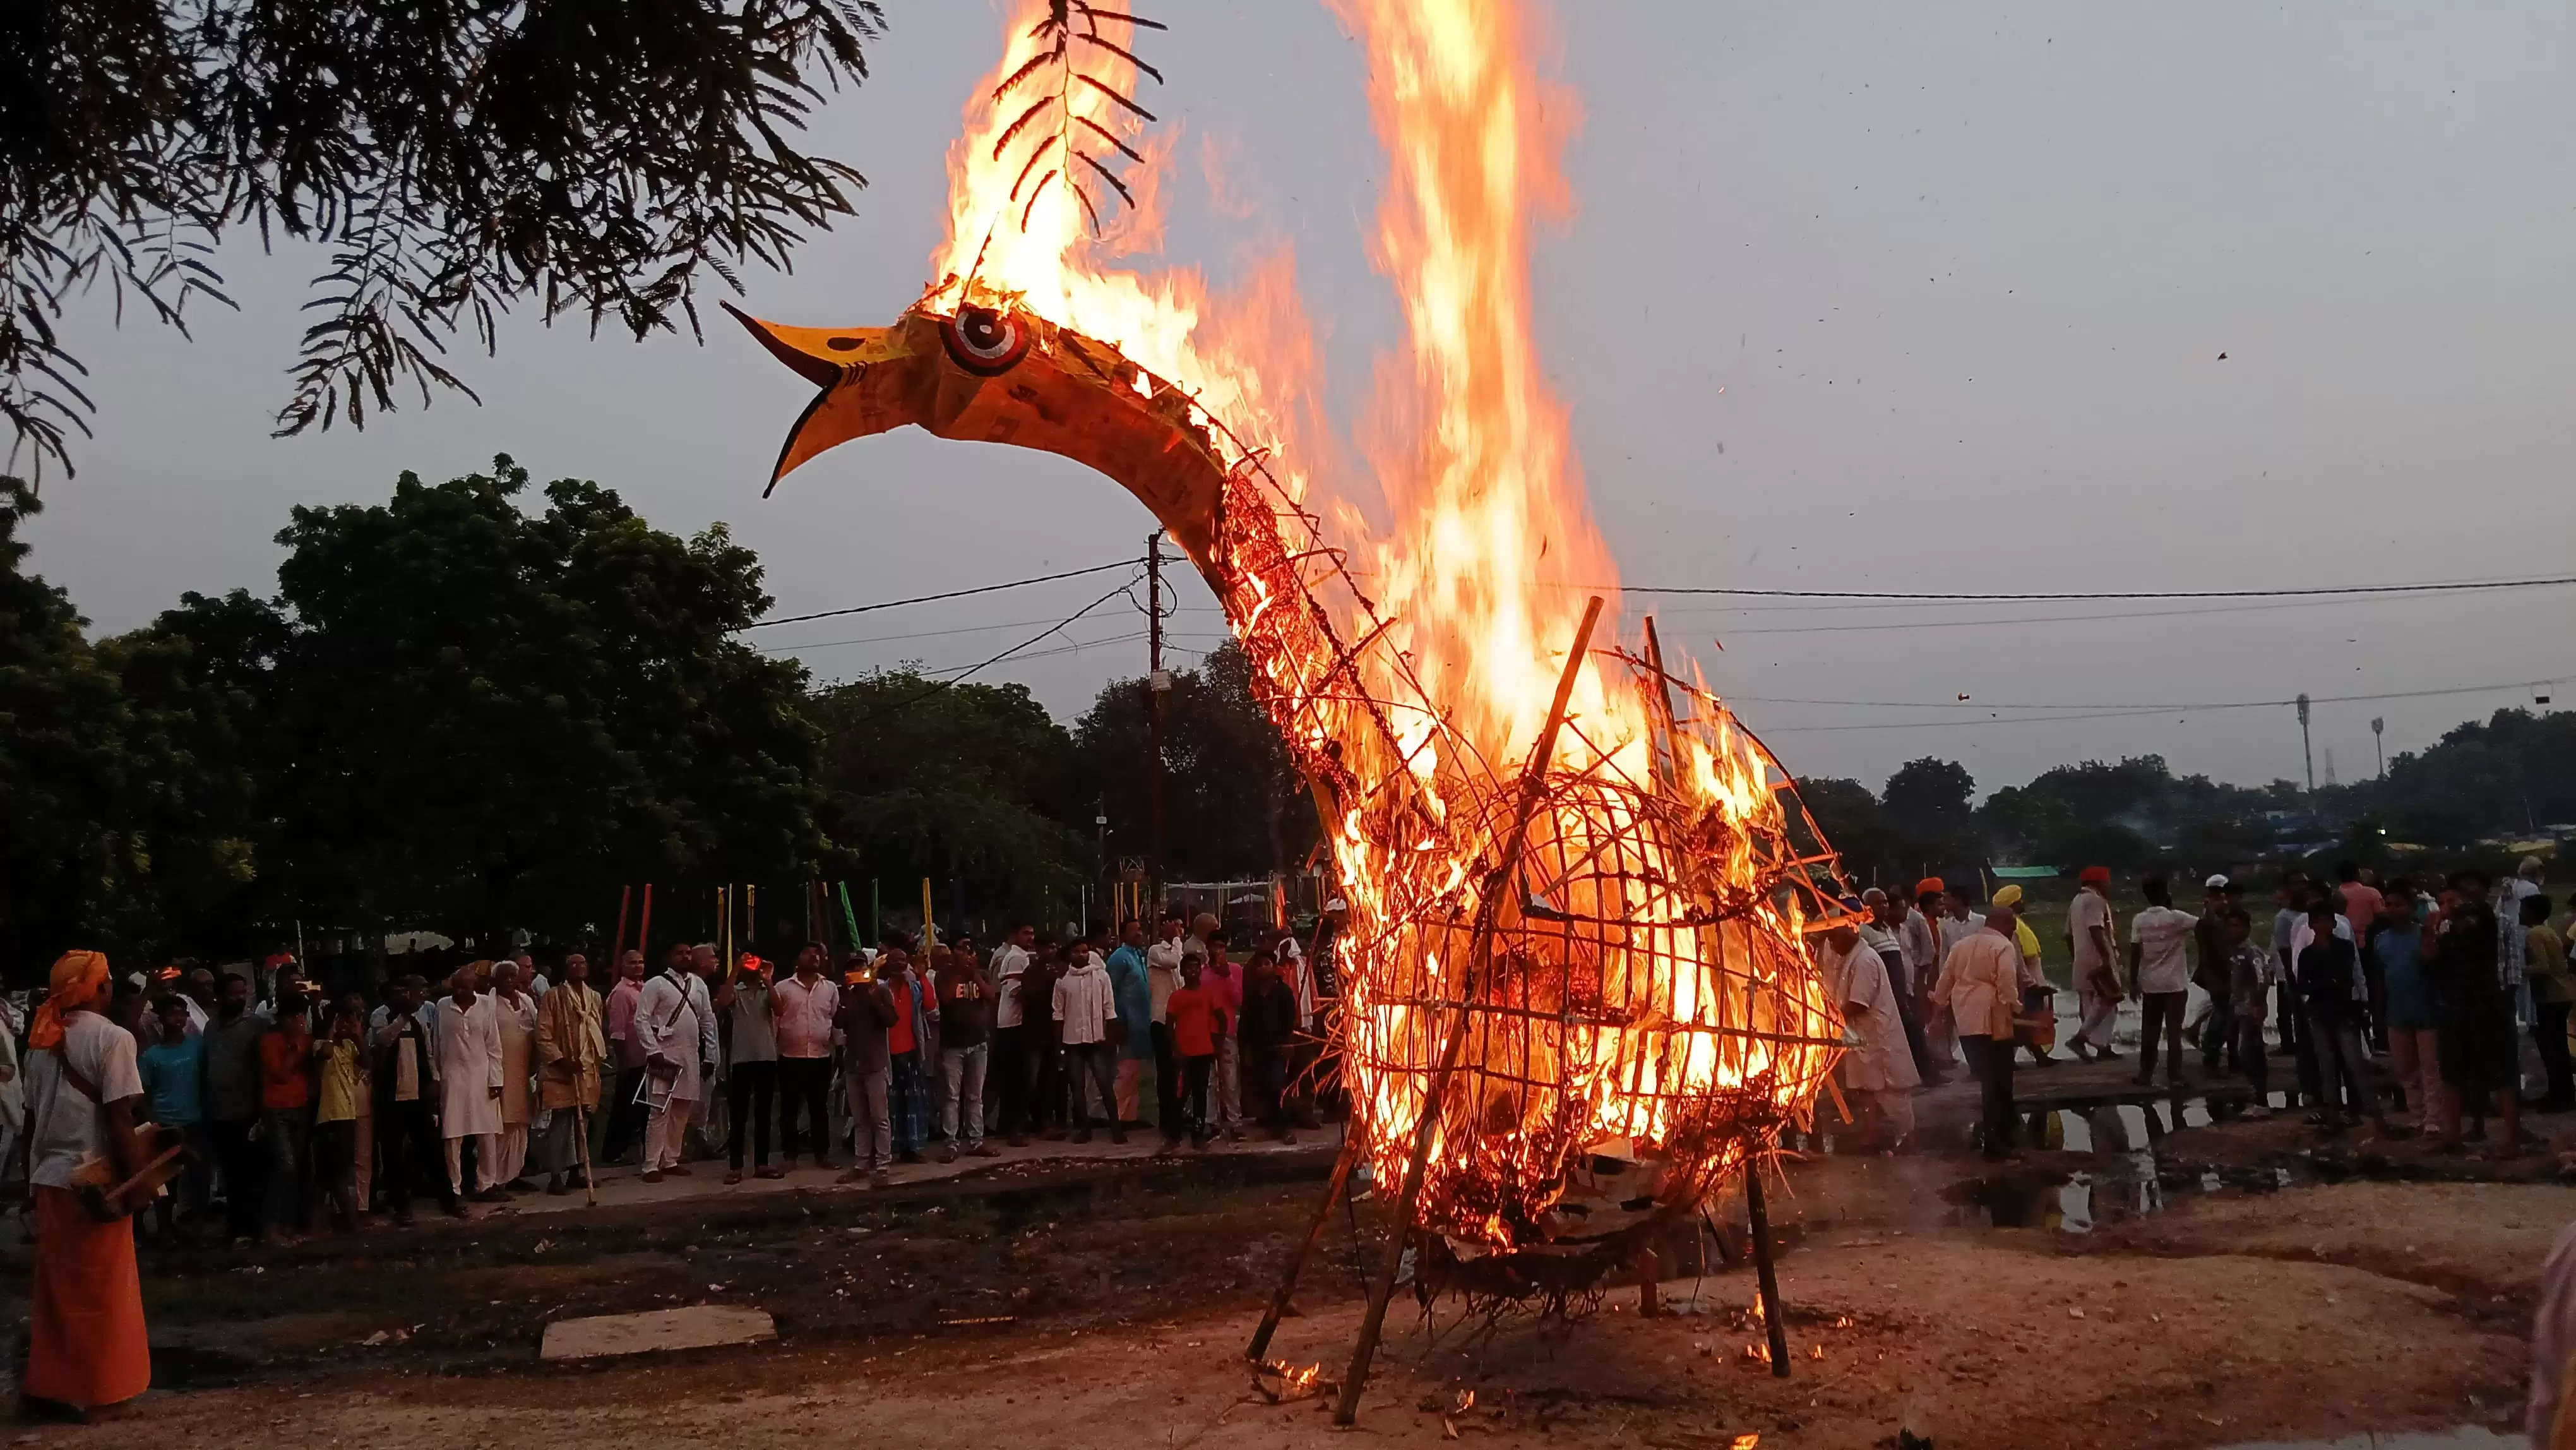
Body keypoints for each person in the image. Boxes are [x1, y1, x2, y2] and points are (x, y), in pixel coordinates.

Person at [20, 951, 152, 1418]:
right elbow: (120, 1118)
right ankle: (101, 1395)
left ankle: (55, 1388)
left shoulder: (41, 1042)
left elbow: (30, 1122)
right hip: (93, 1182)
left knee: (59, 1293)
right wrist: (139, 1182)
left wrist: (26, 1185)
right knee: (101, 1292)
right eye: (108, 981)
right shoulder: (113, 1039)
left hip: (50, 1181)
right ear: (98, 988)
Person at [2428, 868, 2519, 1156]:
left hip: (2485, 1004)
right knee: (2453, 1072)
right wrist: (2432, 928)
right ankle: (2452, 1136)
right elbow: (2431, 961)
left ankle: (2512, 1141)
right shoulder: (2452, 927)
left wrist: (2443, 915)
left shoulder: (2482, 917)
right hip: (2458, 1006)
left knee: (2501, 1073)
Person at [1933, 897, 2024, 1161]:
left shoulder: (1962, 945)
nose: (2014, 931)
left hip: (1967, 1020)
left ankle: (2005, 1131)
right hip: (1993, 1019)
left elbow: (1945, 979)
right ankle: (1996, 1145)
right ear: (2004, 924)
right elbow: (2007, 982)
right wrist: (2016, 1007)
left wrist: (1939, 1007)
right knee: (1997, 1082)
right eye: (2013, 926)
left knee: (1989, 1079)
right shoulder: (2002, 946)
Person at [1822, 912, 1919, 1151]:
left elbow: (1858, 1003)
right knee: (1865, 1090)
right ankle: (1870, 1134)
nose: (1833, 946)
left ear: (1851, 932)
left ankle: (1910, 1137)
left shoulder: (1865, 959)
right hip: (1862, 1038)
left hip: (1878, 1037)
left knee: (1891, 1092)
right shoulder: (1850, 958)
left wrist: (1827, 1020)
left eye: (1835, 939)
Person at [2296, 897, 2387, 1136]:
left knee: (2354, 1065)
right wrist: (2329, 984)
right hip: (2326, 1012)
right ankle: (2337, 1118)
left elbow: (2337, 978)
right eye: (2320, 921)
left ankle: (2375, 1119)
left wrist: (2322, 985)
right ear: (2313, 925)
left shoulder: (2339, 948)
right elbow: (2306, 984)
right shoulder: (2312, 953)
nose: (2324, 925)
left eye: (2328, 920)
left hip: (2340, 1011)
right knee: (2329, 1067)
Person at [371, 978, 453, 1222]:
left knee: (432, 1150)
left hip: (417, 1096)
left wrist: (435, 1079)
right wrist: (402, 1018)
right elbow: (382, 1040)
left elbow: (427, 1053)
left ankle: (448, 1200)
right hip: (390, 1097)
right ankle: (401, 1207)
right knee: (393, 1154)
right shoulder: (382, 1018)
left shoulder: (419, 1022)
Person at [2373, 880, 2443, 1137]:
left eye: (2399, 905)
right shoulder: (2381, 940)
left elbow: (2432, 966)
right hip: (2397, 1012)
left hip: (2428, 1011)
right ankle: (2417, 1116)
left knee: (2431, 1068)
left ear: (2412, 907)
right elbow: (2381, 978)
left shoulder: (2424, 936)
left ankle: (2434, 1119)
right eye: (2388, 905)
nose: (2393, 910)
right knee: (2406, 1069)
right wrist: (2378, 1011)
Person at [200, 971, 266, 1243]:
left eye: (243, 992)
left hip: (248, 1112)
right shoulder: (211, 1027)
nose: (240, 998)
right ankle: (236, 1227)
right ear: (220, 996)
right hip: (219, 1112)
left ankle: (254, 1230)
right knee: (229, 1174)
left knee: (250, 1174)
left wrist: (261, 1112)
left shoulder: (255, 1026)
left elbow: (263, 1070)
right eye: (234, 993)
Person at [535, 950, 607, 1195]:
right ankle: (556, 1175)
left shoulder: (595, 998)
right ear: (565, 969)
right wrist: (561, 1060)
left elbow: (597, 1031)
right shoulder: (553, 997)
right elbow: (543, 1035)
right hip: (561, 1072)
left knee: (582, 1123)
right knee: (561, 1124)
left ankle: (577, 1171)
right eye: (572, 963)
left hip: (586, 1070)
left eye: (582, 962)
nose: (579, 966)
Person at [136, 997, 210, 1236]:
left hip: (197, 1121)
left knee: (199, 1179)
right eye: (172, 1014)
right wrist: (153, 1125)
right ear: (160, 1019)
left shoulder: (198, 1046)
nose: (177, 1020)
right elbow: (144, 1094)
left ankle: (197, 1230)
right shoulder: (151, 1056)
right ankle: (165, 1230)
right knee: (166, 1182)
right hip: (166, 1124)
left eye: (181, 1014)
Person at [434, 969, 506, 1201]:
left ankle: (486, 1184)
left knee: (487, 1133)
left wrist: (496, 1079)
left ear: (474, 987)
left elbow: (494, 1046)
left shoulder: (486, 1005)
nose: (458, 991)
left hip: (481, 1076)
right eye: (455, 987)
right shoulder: (442, 1006)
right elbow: (435, 1044)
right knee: (452, 1135)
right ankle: (453, 1187)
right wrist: (437, 1076)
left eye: (464, 987)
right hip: (452, 1077)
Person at [254, 981, 316, 1243]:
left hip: (300, 1107)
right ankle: (270, 1227)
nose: (301, 1021)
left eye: (303, 1016)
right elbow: (280, 1074)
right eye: (296, 1017)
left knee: (296, 1168)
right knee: (284, 1166)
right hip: (276, 1109)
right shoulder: (269, 1040)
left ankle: (289, 1226)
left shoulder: (307, 1038)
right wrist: (293, 1047)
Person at [2125, 876, 2198, 1088]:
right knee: (2174, 1031)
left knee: (2150, 1031)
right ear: (2166, 893)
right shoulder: (2177, 918)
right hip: (2175, 985)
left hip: (2151, 984)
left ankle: (2145, 1074)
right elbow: (2205, 925)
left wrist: (2133, 982)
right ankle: (2175, 1076)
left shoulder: (2139, 920)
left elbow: (2135, 951)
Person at [1863, 888, 1942, 1084]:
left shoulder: (1889, 930)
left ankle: (1923, 1075)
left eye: (1885, 903)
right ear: (1867, 907)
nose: (1884, 907)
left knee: (1913, 1032)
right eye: (1878, 903)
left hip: (1905, 991)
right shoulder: (1864, 931)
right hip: (1888, 997)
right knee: (1906, 1035)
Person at [773, 942, 840, 1171]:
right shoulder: (782, 988)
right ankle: (789, 1157)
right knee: (790, 1108)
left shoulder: (830, 988)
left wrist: (838, 1049)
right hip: (790, 1056)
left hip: (821, 1056)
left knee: (819, 1108)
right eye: (808, 953)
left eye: (818, 954)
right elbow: (776, 1022)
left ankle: (822, 1154)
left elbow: (833, 1019)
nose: (814, 957)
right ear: (797, 959)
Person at [1054, 928, 1123, 1143]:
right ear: (1070, 955)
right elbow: (1058, 1014)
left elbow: (1109, 1009)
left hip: (1097, 1040)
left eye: (1085, 951)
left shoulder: (1101, 976)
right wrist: (1059, 1047)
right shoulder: (1063, 981)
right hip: (1073, 1041)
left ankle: (1116, 1129)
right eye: (1077, 952)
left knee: (1104, 1084)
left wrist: (1110, 1040)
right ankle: (1085, 1130)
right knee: (1077, 1087)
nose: (1081, 955)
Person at [836, 953, 898, 1186]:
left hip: (875, 1063)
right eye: (853, 968)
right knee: (860, 1118)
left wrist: (870, 992)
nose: (857, 972)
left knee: (880, 1117)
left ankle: (883, 1164)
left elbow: (891, 1020)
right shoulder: (846, 994)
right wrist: (853, 993)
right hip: (853, 1063)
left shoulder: (880, 991)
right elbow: (839, 1020)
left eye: (860, 967)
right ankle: (861, 1163)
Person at [722, 952, 779, 1185]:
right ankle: (735, 1166)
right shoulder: (737, 990)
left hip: (766, 1056)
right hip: (741, 1058)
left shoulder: (768, 991)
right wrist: (735, 969)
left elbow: (781, 1009)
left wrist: (768, 979)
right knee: (738, 1115)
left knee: (764, 1114)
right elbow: (723, 1001)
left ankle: (762, 1163)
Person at [935, 944, 996, 1163]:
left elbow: (990, 996)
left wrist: (974, 976)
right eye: (963, 950)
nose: (969, 955)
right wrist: (961, 974)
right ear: (954, 954)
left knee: (975, 1096)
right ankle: (950, 1143)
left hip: (979, 1044)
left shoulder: (982, 975)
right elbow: (946, 998)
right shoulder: (944, 975)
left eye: (971, 952)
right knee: (952, 1096)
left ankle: (977, 1141)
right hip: (953, 1045)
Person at [311, 995, 367, 1231]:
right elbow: (324, 1052)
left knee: (328, 1172)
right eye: (341, 1021)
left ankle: (315, 1222)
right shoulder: (320, 1043)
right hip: (330, 1115)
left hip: (347, 1113)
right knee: (336, 1171)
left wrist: (356, 1033)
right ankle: (351, 1221)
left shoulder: (349, 1046)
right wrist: (332, 1029)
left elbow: (366, 1061)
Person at [1237, 949, 1300, 1143]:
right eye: (1260, 965)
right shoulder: (1252, 994)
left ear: (1274, 968)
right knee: (1263, 1087)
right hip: (1258, 1048)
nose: (1263, 968)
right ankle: (1270, 1125)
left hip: (1279, 1047)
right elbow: (1245, 1024)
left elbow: (1291, 1020)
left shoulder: (1284, 992)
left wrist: (1289, 1042)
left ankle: (1284, 1128)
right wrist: (1245, 1049)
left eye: (1267, 964)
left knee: (1278, 1085)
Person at [489, 961, 539, 1192]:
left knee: (521, 1123)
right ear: (495, 980)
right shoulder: (488, 1004)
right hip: (499, 1071)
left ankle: (513, 1174)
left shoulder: (527, 1001)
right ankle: (494, 1179)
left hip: (524, 1070)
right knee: (501, 1124)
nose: (509, 981)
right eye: (505, 977)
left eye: (513, 976)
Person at [882, 949, 934, 1163]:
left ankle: (913, 1149)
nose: (899, 964)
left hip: (911, 1053)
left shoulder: (914, 988)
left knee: (913, 1105)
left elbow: (931, 1005)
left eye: (903, 960)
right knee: (890, 1107)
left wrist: (922, 975)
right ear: (888, 965)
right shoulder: (880, 989)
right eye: (895, 960)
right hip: (887, 1056)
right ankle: (890, 1150)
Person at [1163, 955, 1220, 1151]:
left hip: (1204, 1052)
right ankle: (1174, 1135)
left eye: (1196, 968)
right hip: (1184, 1054)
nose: (1193, 972)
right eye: (1188, 968)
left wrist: (1217, 1045)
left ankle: (1198, 1133)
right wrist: (1175, 1049)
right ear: (1182, 972)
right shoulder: (1177, 997)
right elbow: (1169, 1025)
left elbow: (1222, 1019)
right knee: (1180, 1094)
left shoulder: (1208, 994)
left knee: (1200, 1094)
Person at [2221, 909, 2274, 1119]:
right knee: (2248, 1054)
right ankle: (2257, 1098)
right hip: (2239, 1007)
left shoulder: (2252, 952)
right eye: (2230, 926)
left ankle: (2261, 1102)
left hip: (2251, 1009)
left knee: (2251, 1054)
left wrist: (2258, 1005)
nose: (2233, 930)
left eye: (2237, 926)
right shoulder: (2234, 951)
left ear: (2246, 928)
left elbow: (2263, 980)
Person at [987, 923, 1036, 1147]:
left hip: (1011, 1025)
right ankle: (1014, 1129)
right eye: (1026, 933)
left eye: (1032, 934)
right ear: (1015, 935)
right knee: (1019, 1080)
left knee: (1011, 1080)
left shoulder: (1020, 956)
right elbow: (1015, 991)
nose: (1030, 937)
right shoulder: (1016, 958)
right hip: (1013, 1026)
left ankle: (1007, 1125)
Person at [2065, 866, 2121, 1061]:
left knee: (2089, 1005)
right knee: (2109, 1000)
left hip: (2082, 958)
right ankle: (2081, 1039)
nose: (2109, 885)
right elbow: (2096, 929)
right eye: (2107, 881)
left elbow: (2067, 935)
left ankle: (2102, 1048)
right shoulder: (2095, 900)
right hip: (2098, 957)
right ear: (2099, 882)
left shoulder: (2076, 901)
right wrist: (2105, 959)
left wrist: (2077, 958)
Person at [602, 948, 649, 1164]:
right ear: (623, 966)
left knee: (641, 1108)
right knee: (625, 1107)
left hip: (646, 1059)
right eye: (632, 963)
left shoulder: (644, 989)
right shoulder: (621, 993)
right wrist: (623, 1062)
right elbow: (617, 1032)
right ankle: (613, 1153)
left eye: (640, 962)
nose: (638, 966)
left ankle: (637, 1150)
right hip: (631, 1060)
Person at [2525, 894, 2572, 1113]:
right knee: (2559, 1048)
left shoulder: (2534, 933)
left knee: (2550, 1048)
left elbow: (2542, 966)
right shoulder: (2548, 930)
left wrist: (2517, 972)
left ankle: (2559, 1096)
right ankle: (2562, 1093)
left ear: (2531, 913)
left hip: (2550, 997)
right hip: (2562, 994)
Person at [1106, 920, 1154, 1128]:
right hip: (1126, 1023)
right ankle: (1117, 1118)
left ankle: (1129, 1118)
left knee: (1134, 1073)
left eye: (1139, 929)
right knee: (1125, 1073)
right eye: (1133, 930)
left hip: (1141, 1023)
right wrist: (1117, 1022)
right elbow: (1111, 992)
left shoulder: (1139, 955)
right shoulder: (1119, 958)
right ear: (1123, 934)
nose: (1138, 933)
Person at [1200, 926, 1246, 1142]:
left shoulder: (1235, 970)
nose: (1218, 951)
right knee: (1208, 1079)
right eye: (1214, 947)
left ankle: (1235, 1121)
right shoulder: (1201, 972)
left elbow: (1238, 1001)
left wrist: (1226, 976)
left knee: (1230, 1078)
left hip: (1227, 1031)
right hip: (1206, 1031)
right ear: (1207, 948)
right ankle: (1210, 1121)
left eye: (1222, 947)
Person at [2335, 862, 2388, 1050]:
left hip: (2345, 948)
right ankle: (2381, 1038)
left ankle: (2362, 1039)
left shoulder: (2336, 896)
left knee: (2354, 994)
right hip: (2371, 947)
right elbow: (2383, 916)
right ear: (2357, 874)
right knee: (2376, 992)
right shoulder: (2372, 893)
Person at [1145, 914, 1189, 1135]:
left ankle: (1179, 1115)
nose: (1178, 930)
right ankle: (1167, 1119)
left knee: (1180, 1071)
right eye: (1174, 926)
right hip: (1161, 1020)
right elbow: (1173, 962)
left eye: (1180, 927)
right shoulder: (1156, 951)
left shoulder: (1179, 952)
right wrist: (1177, 940)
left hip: (1179, 1019)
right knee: (1166, 1072)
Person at [2192, 875, 2239, 1072]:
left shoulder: (2226, 919)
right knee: (2222, 1014)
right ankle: (2211, 1052)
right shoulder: (2207, 923)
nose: (2223, 902)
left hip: (2226, 975)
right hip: (2216, 977)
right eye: (2218, 898)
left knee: (2227, 1014)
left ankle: (2222, 1053)